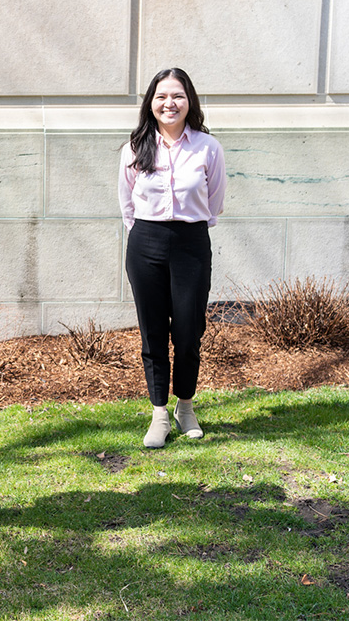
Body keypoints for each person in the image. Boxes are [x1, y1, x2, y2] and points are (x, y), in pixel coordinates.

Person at [118, 68, 226, 449]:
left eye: (177, 96)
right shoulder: (136, 146)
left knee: (188, 331)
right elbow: (126, 204)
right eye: (162, 96)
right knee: (152, 333)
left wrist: (187, 231)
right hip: (145, 242)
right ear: (151, 102)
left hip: (191, 244)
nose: (170, 103)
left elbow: (214, 203)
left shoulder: (207, 148)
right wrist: (148, 235)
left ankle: (186, 406)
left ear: (189, 101)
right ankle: (159, 413)